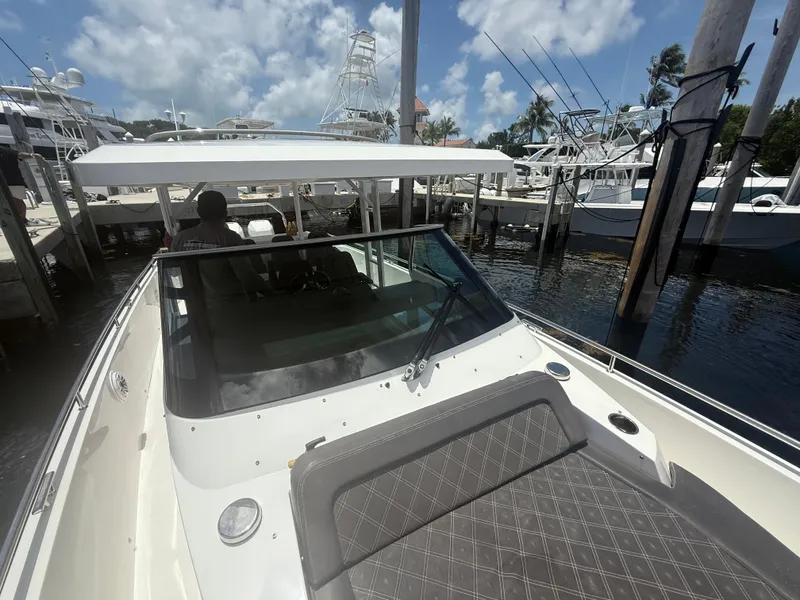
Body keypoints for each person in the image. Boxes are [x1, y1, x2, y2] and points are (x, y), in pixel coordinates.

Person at [170, 190, 244, 251]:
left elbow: (172, 267)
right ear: (225, 214)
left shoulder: (180, 239)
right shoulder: (233, 239)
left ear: (199, 212)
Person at [0, 146, 33, 224]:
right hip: (6, 181)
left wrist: (31, 155)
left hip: (13, 180)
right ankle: (17, 220)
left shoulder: (5, 151)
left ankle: (22, 220)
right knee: (12, 202)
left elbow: (19, 154)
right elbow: (20, 155)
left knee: (18, 202)